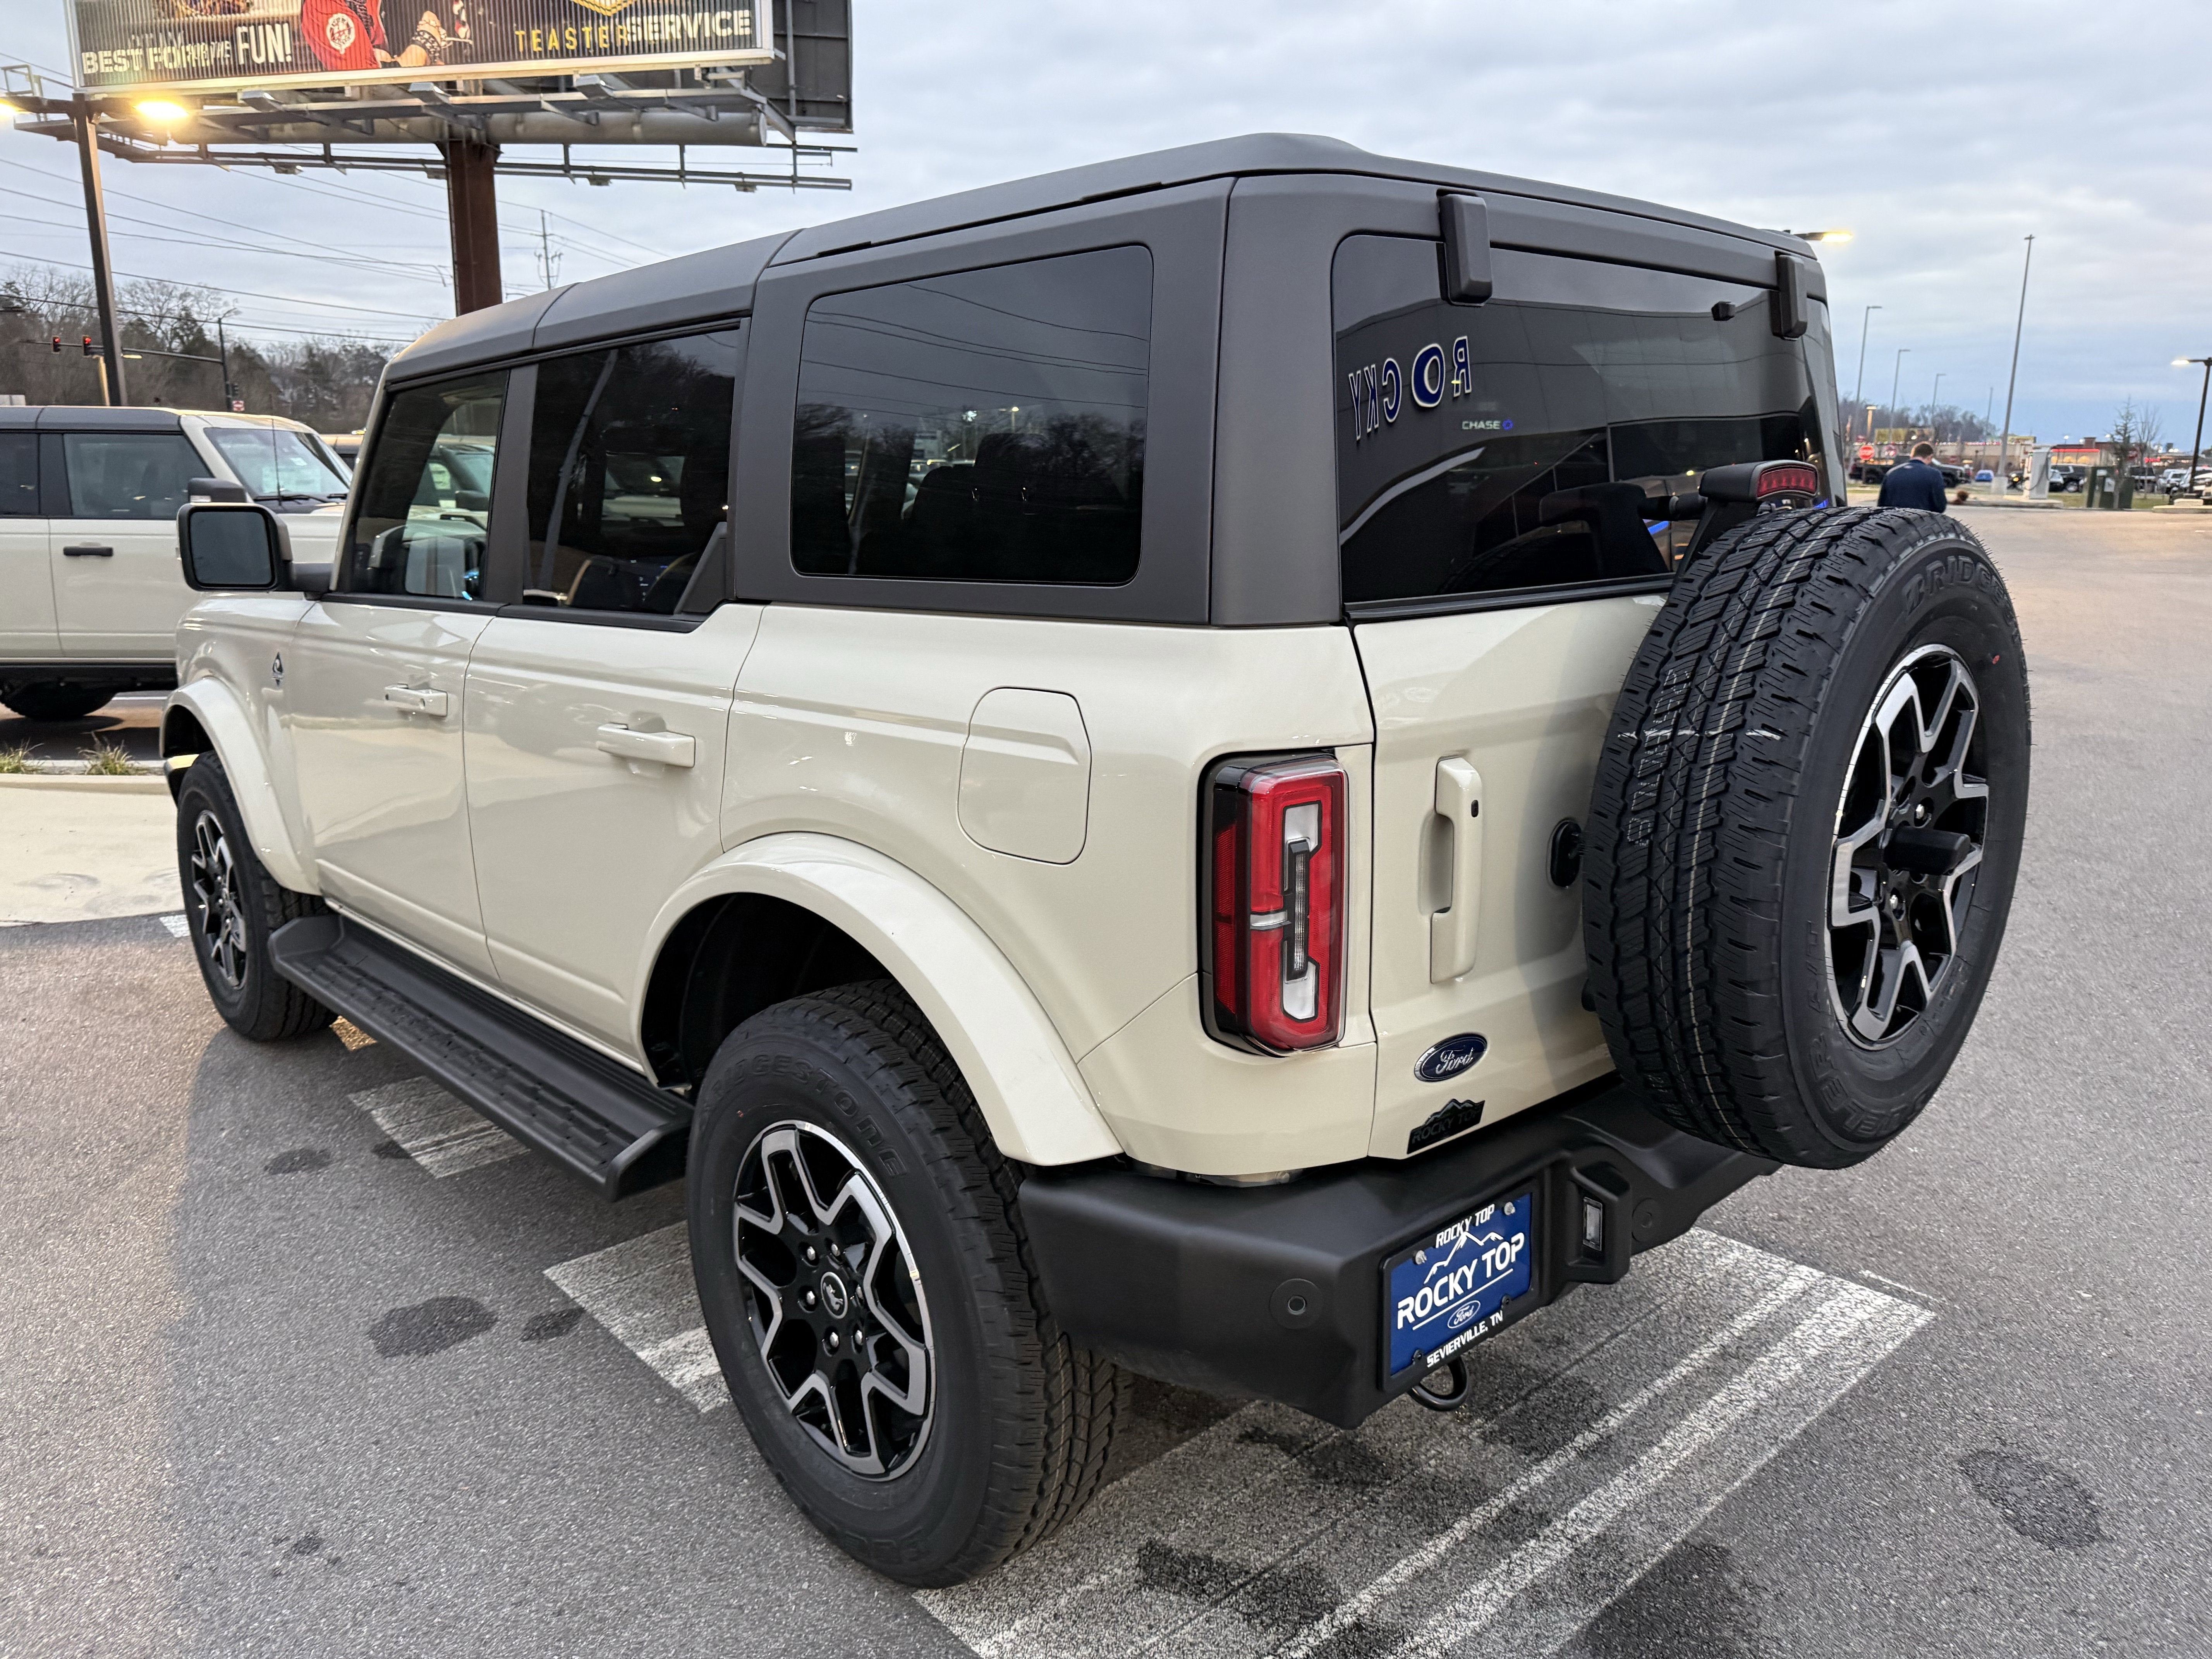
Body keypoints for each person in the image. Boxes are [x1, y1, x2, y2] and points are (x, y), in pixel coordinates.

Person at [1878, 442, 1950, 512]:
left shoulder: (1892, 473)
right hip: (1920, 520)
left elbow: (1881, 505)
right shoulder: (1934, 474)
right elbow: (1940, 506)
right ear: (1930, 457)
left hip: (1893, 520)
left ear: (1912, 455)